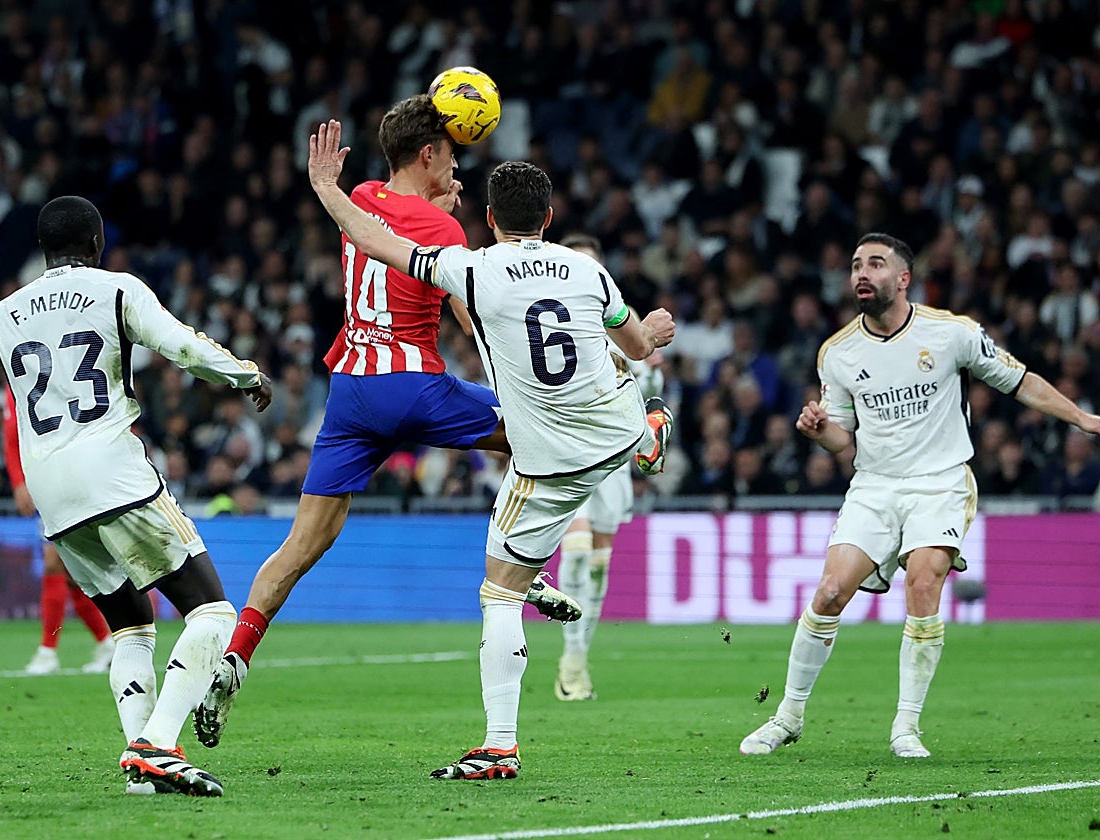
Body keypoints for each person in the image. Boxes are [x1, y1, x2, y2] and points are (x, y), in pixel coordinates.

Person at [194, 96, 580, 749]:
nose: (456, 167)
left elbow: (387, 219)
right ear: (428, 154)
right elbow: (470, 315)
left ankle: (236, 656)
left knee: (302, 545)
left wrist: (427, 204)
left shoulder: (362, 195)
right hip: (412, 383)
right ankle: (522, 565)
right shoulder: (444, 229)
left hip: (350, 392)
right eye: (451, 154)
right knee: (537, 437)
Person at [304, 120, 676, 779]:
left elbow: (371, 237)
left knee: (499, 593)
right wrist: (652, 328)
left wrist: (328, 188)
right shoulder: (587, 271)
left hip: (551, 459)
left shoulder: (472, 269)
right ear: (550, 218)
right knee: (615, 395)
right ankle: (645, 434)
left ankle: (500, 745)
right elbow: (639, 346)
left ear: (490, 219)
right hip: (611, 427)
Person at [0, 195, 272, 796]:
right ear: (96, 242)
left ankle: (145, 773)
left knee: (131, 627)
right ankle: (158, 744)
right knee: (212, 612)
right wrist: (244, 373)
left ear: (43, 249)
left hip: (52, 494)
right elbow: (183, 347)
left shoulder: (0, 315)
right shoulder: (116, 289)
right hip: (113, 474)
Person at [739, 233, 1100, 759]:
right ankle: (788, 717)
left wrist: (1084, 419)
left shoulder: (953, 333)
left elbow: (1020, 381)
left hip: (941, 481)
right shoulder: (837, 353)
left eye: (876, 264)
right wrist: (819, 430)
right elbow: (842, 439)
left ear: (904, 278)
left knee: (924, 581)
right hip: (875, 484)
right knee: (830, 593)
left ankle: (905, 728)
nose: (862, 273)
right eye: (856, 265)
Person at [551, 233, 666, 702]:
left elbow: (649, 380)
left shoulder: (621, 317)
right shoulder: (546, 315)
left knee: (599, 565)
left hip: (613, 459)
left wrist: (652, 383)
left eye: (593, 265)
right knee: (578, 552)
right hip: (564, 449)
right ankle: (569, 660)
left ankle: (578, 659)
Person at [3, 387, 115, 675]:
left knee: (57, 563)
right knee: (69, 572)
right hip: (48, 480)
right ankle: (106, 643)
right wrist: (18, 482)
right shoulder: (15, 383)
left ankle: (48, 651)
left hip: (75, 474)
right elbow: (12, 438)